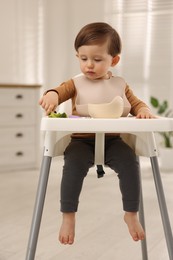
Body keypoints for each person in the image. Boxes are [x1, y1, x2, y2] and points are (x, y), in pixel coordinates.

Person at [39, 22, 155, 245]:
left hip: (113, 140)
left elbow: (137, 104)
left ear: (114, 60)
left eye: (97, 59)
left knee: (131, 163)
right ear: (78, 57)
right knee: (72, 167)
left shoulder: (120, 84)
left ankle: (131, 213)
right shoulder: (75, 83)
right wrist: (52, 96)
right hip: (81, 141)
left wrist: (144, 111)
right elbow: (58, 91)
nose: (89, 65)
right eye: (83, 59)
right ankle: (68, 216)